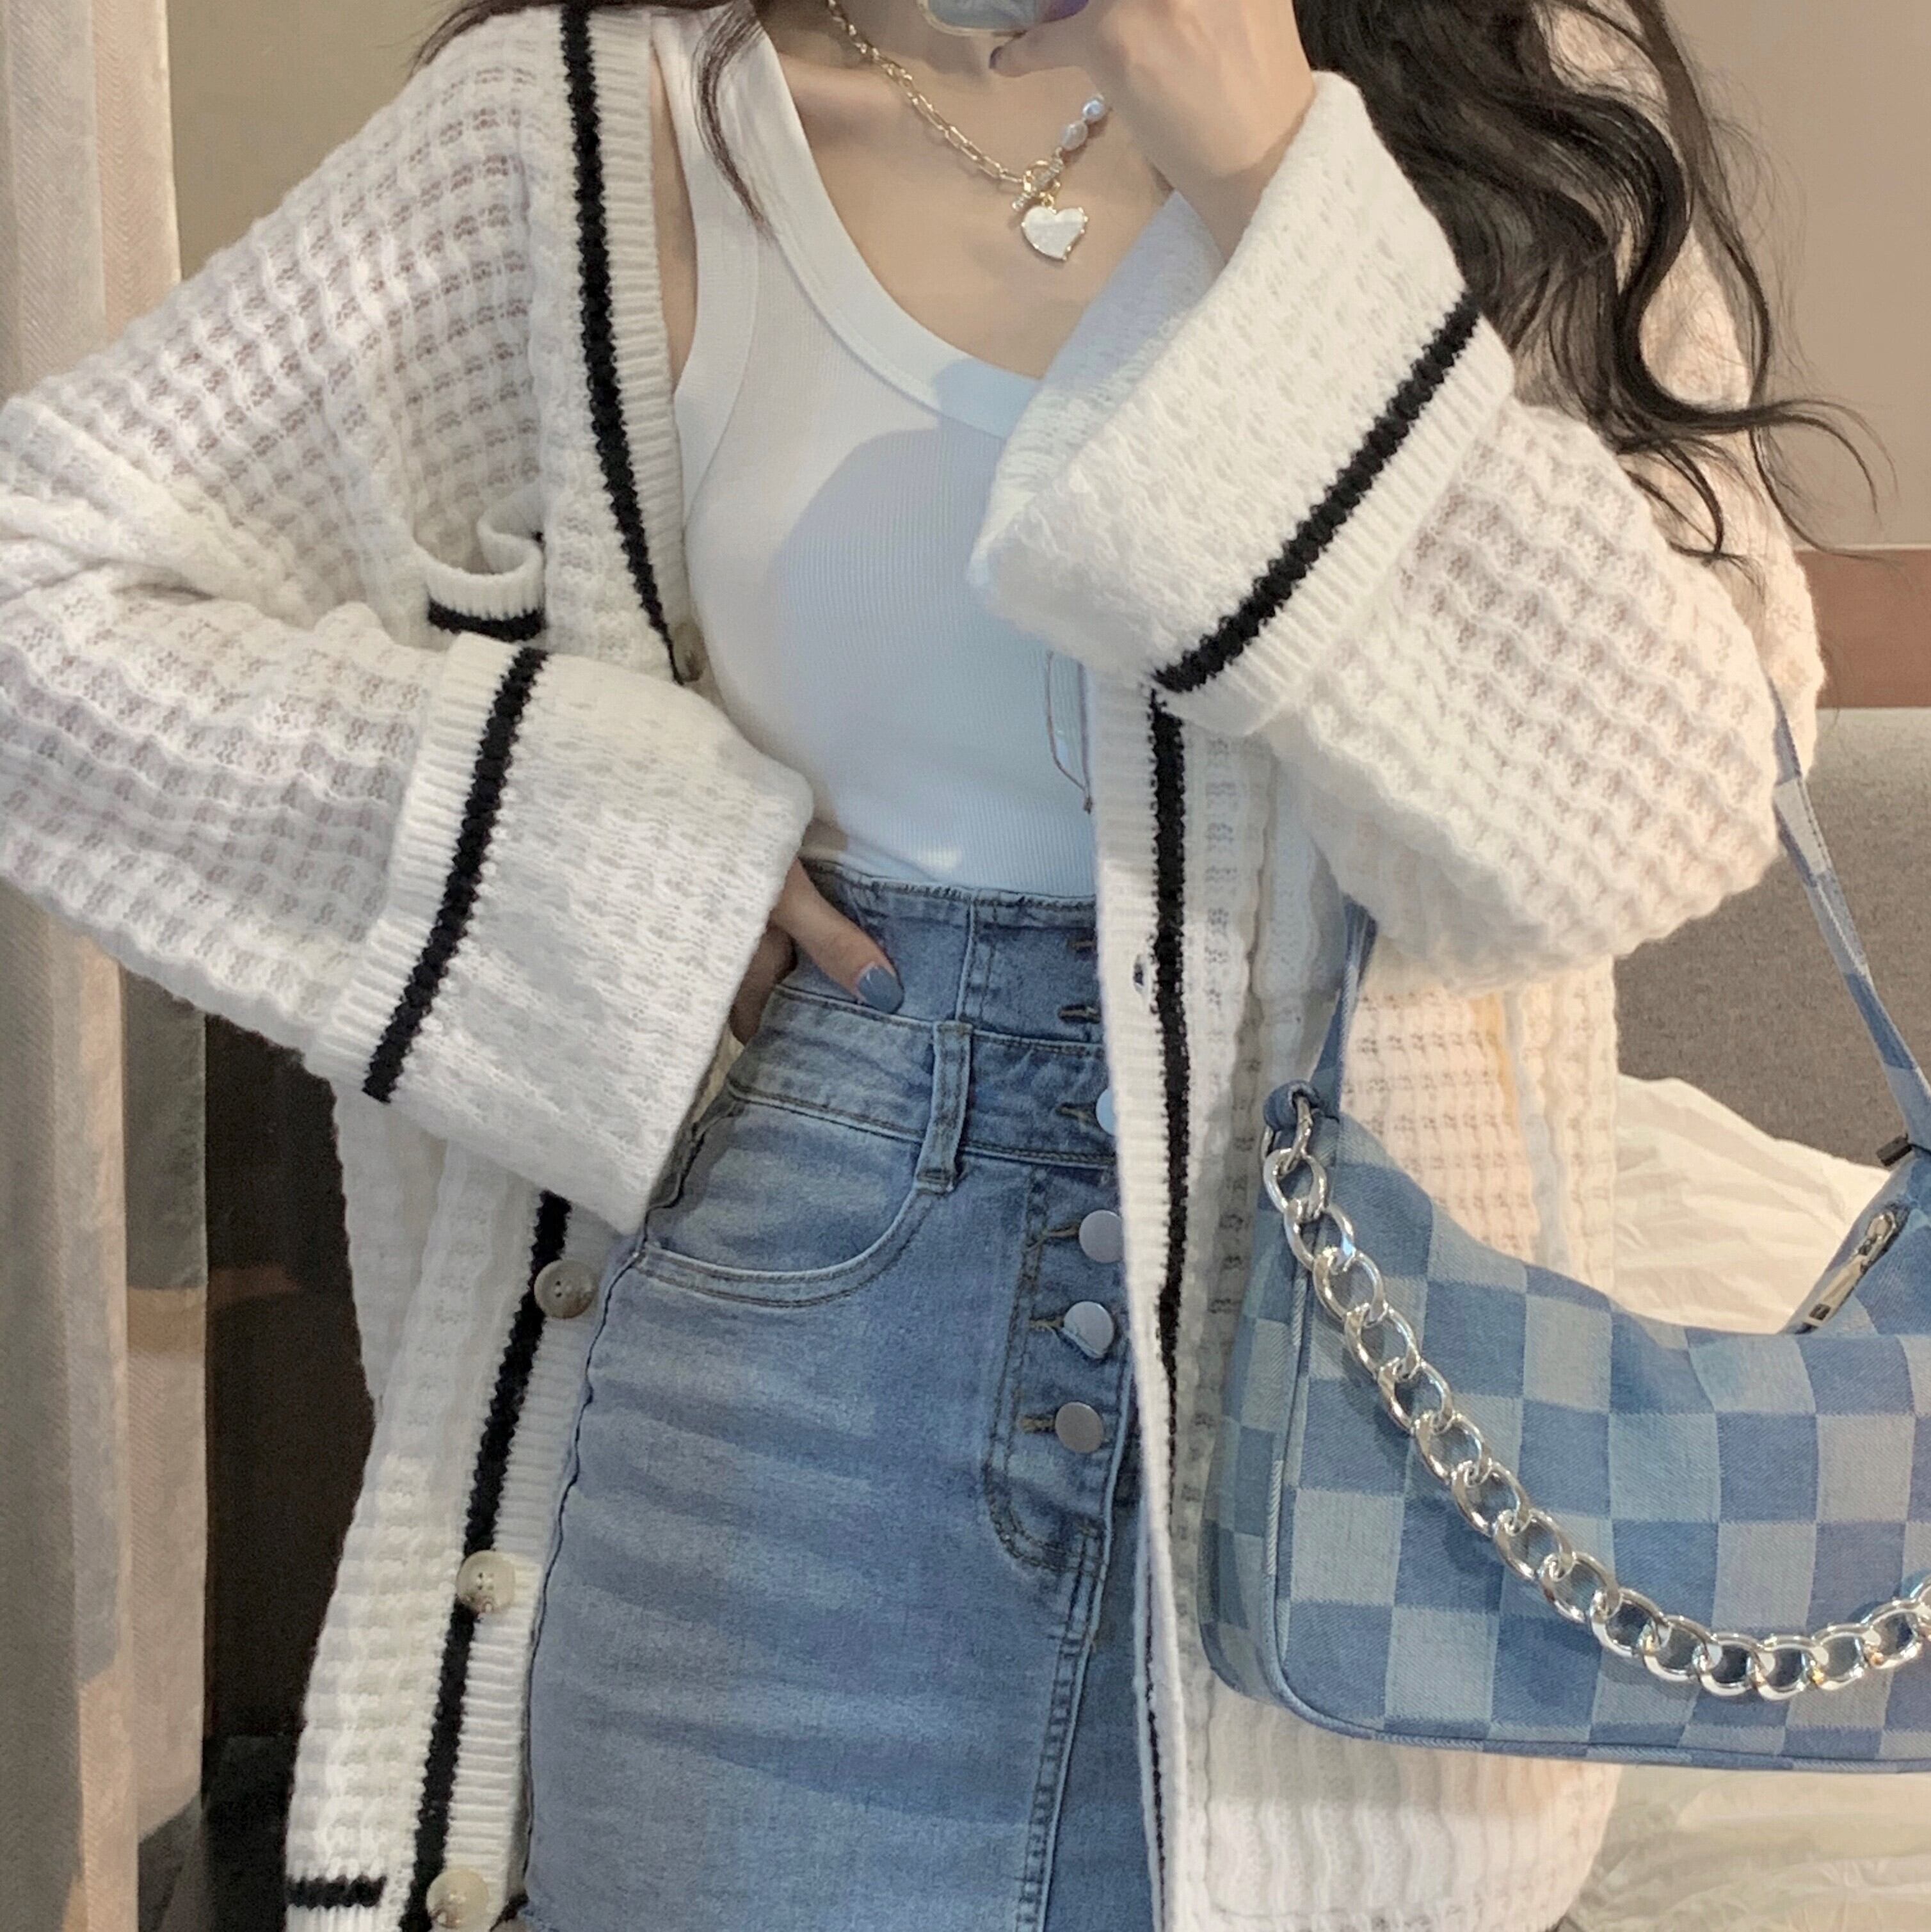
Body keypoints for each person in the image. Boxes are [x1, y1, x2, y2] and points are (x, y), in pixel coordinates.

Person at [0, 0, 1852, 1925]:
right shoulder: (588, 133)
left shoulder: (1516, 104)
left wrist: (1271, 180)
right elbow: (36, 591)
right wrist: (599, 861)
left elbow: (1656, 811)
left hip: (1372, 1432)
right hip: (784, 1411)